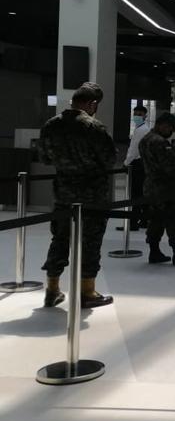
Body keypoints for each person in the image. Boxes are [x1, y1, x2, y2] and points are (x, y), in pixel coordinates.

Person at [38, 82, 116, 309]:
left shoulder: (51, 125)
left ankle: (52, 289)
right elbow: (109, 159)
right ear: (92, 104)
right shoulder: (93, 127)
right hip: (92, 196)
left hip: (63, 194)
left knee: (59, 239)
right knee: (90, 243)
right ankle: (87, 292)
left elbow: (44, 158)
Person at [139, 113, 175, 266]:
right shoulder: (160, 142)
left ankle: (154, 251)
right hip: (165, 188)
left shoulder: (145, 139)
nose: (171, 131)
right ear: (162, 125)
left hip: (150, 186)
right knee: (174, 221)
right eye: (170, 128)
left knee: (155, 220)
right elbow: (169, 167)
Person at [125, 104, 150, 231]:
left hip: (138, 164)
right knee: (141, 192)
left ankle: (134, 222)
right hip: (143, 163)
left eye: (140, 114)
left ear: (145, 116)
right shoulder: (142, 128)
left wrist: (126, 162)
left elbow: (134, 149)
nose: (137, 116)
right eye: (135, 114)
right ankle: (144, 220)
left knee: (135, 194)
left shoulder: (141, 130)